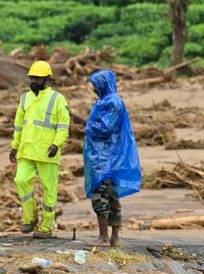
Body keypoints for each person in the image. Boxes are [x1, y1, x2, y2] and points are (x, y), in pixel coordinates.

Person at [10, 60, 71, 239]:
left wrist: (56, 144)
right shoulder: (25, 98)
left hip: (47, 152)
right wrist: (14, 147)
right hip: (26, 150)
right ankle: (30, 218)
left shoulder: (57, 99)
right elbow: (19, 125)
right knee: (21, 180)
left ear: (46, 79)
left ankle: (46, 226)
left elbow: (63, 125)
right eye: (32, 77)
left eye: (37, 78)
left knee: (49, 189)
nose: (34, 81)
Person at [84, 69, 142, 247]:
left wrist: (84, 124)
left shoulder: (113, 103)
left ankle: (104, 237)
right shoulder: (106, 101)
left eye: (95, 85)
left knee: (101, 196)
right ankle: (114, 238)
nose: (93, 89)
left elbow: (104, 128)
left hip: (106, 159)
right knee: (111, 195)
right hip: (106, 157)